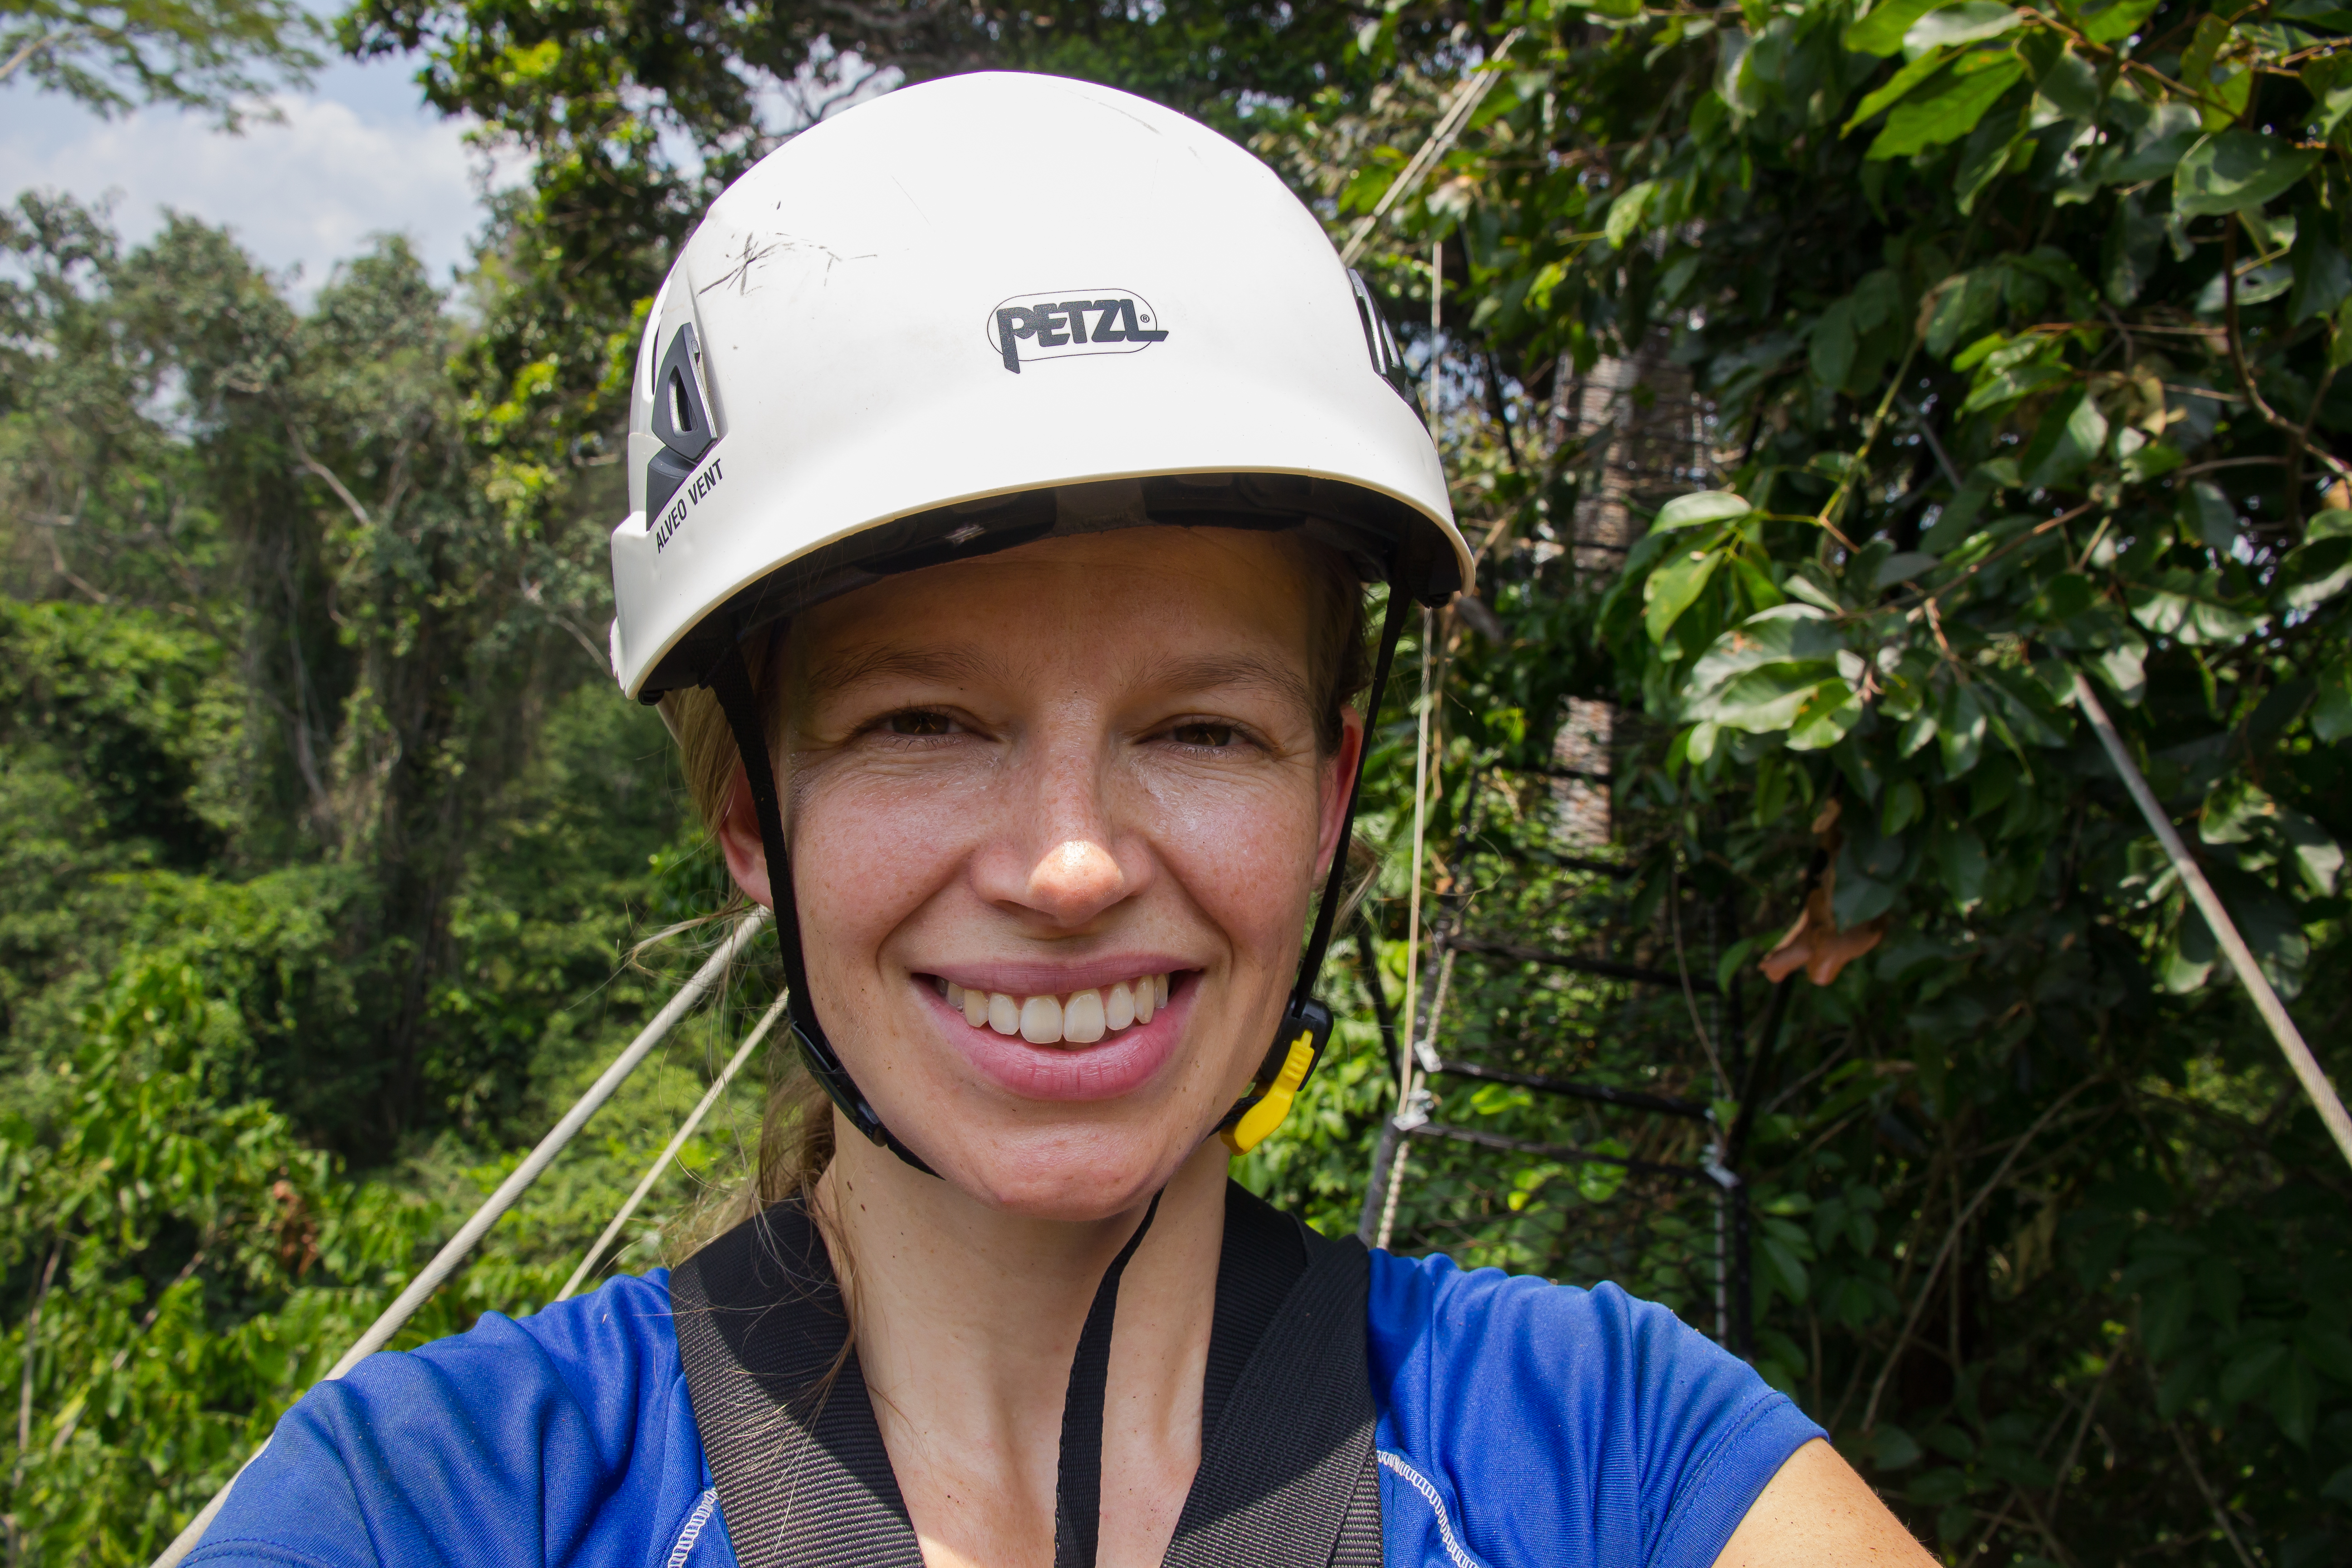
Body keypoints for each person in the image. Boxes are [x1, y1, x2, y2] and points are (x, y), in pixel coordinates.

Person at [184, 71, 1934, 1568]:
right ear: (748, 819)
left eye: (1200, 729)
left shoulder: (1604, 1462)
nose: (1075, 862)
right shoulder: (449, 1500)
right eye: (921, 723)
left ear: (1330, 800)